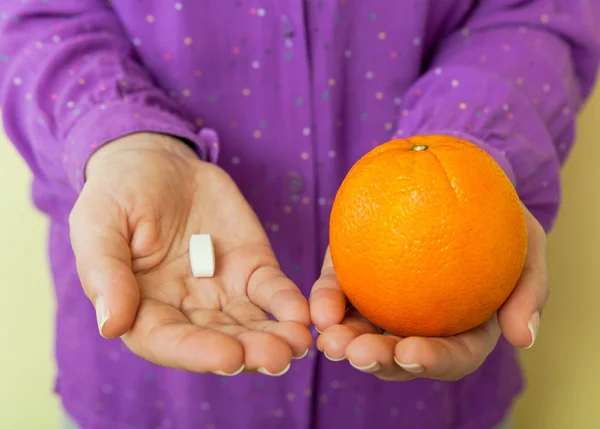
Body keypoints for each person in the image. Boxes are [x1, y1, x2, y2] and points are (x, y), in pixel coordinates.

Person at [1, 1, 598, 428]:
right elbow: (35, 18)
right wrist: (123, 140)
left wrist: (469, 158)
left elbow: (536, 14)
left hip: (428, 399)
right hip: (150, 392)